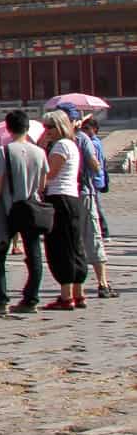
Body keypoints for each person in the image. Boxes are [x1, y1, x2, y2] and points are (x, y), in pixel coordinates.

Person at [0, 109, 46, 313]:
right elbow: (43, 184)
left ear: (8, 128)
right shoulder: (40, 152)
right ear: (27, 128)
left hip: (9, 209)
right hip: (31, 208)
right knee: (34, 254)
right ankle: (31, 299)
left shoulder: (4, 151)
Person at [40, 108, 87, 312]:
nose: (46, 130)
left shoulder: (60, 146)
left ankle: (66, 296)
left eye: (49, 127)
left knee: (60, 246)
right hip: (72, 198)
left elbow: (50, 174)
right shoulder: (72, 144)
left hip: (59, 198)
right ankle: (79, 293)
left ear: (58, 126)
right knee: (74, 244)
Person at [79, 115, 118, 300]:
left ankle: (74, 290)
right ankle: (101, 283)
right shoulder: (84, 140)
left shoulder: (84, 141)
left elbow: (96, 164)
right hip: (87, 190)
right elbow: (96, 165)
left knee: (80, 239)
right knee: (92, 236)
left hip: (81, 191)